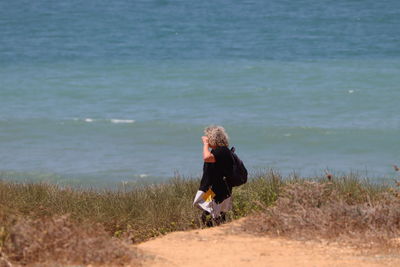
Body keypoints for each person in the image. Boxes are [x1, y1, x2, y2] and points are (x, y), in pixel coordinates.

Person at [193, 125, 233, 226]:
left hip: (217, 190)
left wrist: (205, 144)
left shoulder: (222, 151)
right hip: (218, 189)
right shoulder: (222, 151)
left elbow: (206, 157)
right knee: (209, 211)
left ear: (213, 138)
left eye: (208, 136)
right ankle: (218, 230)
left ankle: (217, 233)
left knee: (210, 213)